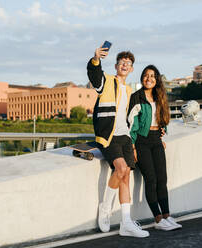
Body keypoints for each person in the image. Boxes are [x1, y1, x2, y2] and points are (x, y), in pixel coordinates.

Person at [87, 44, 149, 238]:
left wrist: (132, 140)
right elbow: (94, 75)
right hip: (109, 135)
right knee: (120, 169)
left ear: (131, 69)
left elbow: (131, 118)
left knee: (126, 175)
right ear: (116, 66)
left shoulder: (130, 90)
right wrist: (95, 59)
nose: (125, 65)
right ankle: (105, 208)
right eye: (122, 62)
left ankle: (126, 223)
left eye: (128, 63)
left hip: (125, 136)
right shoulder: (107, 81)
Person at [128, 65, 182, 231]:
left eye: (152, 76)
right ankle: (158, 220)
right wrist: (133, 146)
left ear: (157, 79)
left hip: (156, 141)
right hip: (141, 141)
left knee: (162, 179)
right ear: (142, 78)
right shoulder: (136, 97)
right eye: (146, 75)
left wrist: (162, 132)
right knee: (150, 180)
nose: (148, 78)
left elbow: (164, 119)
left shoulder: (160, 97)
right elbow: (131, 123)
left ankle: (167, 216)